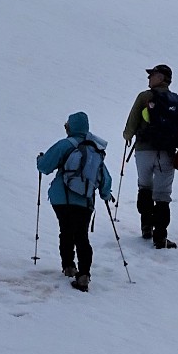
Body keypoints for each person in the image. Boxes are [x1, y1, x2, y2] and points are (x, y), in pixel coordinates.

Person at [123, 64, 178, 248]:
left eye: (152, 75)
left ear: (161, 78)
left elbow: (132, 122)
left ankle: (146, 226)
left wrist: (128, 135)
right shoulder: (177, 101)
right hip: (166, 153)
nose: (149, 78)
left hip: (143, 151)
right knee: (163, 195)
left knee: (144, 186)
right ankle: (160, 237)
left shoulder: (144, 96)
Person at [37, 111, 113, 291]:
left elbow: (45, 166)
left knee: (66, 231)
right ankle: (84, 274)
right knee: (82, 235)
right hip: (85, 201)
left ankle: (69, 266)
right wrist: (105, 194)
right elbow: (104, 176)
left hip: (61, 199)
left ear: (70, 126)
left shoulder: (65, 145)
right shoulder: (95, 148)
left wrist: (40, 159)